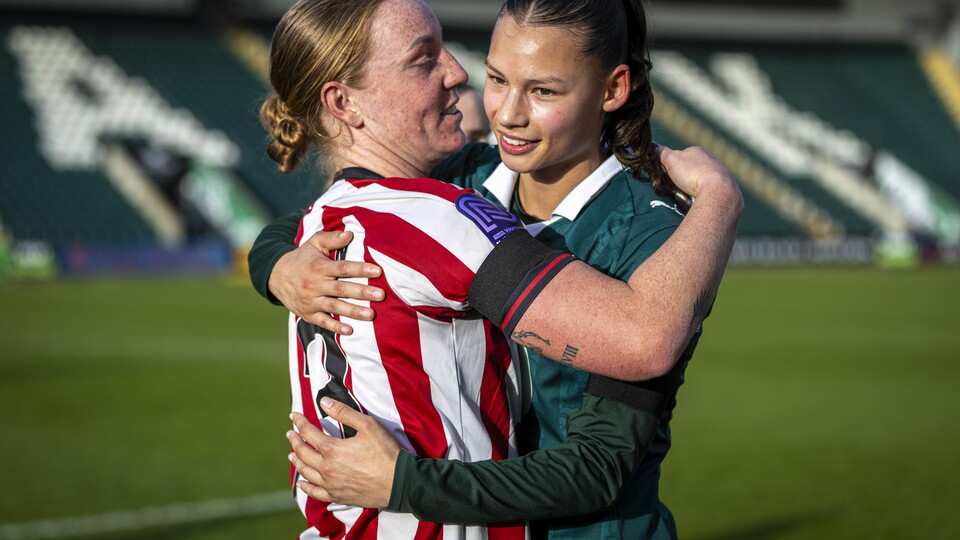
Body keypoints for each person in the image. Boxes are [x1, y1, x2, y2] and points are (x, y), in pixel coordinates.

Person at [251, 0, 743, 538]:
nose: (508, 113)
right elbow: (344, 209)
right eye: (496, 79)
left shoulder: (655, 235)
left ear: (612, 88)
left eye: (543, 91)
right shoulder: (466, 177)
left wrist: (407, 482)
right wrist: (278, 265)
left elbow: (598, 468)